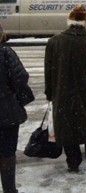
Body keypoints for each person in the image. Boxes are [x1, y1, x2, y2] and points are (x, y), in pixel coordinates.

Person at [44, 5, 86, 173]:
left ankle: (73, 161)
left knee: (67, 125)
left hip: (62, 91)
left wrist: (50, 92)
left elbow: (49, 70)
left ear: (70, 21)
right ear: (85, 22)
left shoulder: (55, 42)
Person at [1, 23, 34, 193]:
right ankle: (9, 189)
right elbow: (21, 77)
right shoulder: (6, 53)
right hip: (7, 113)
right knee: (7, 152)